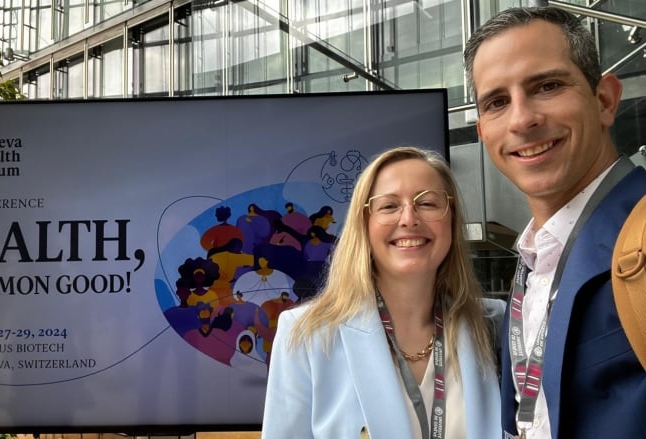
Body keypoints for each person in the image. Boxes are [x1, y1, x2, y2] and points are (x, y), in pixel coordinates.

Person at [464, 6, 646, 439]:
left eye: (547, 86)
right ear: (483, 132)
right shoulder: (533, 261)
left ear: (604, 100)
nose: (522, 119)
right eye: (497, 102)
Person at [261, 147, 504, 438]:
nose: (409, 219)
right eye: (389, 206)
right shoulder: (305, 334)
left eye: (427, 203)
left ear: (451, 219)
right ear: (363, 225)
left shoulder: (495, 325)